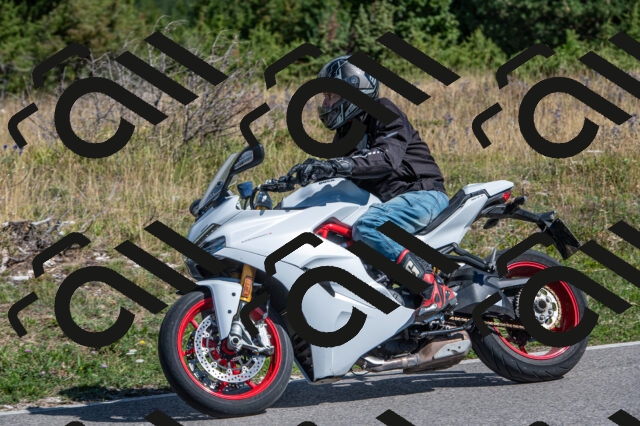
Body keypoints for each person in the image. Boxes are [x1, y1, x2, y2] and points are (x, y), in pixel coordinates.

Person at [287, 55, 457, 318]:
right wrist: (302, 178)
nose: (326, 103)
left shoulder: (383, 111)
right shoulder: (344, 134)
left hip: (422, 193)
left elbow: (387, 157)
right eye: (325, 97)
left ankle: (431, 289)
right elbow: (339, 178)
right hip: (389, 204)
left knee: (369, 227)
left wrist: (337, 165)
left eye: (331, 95)